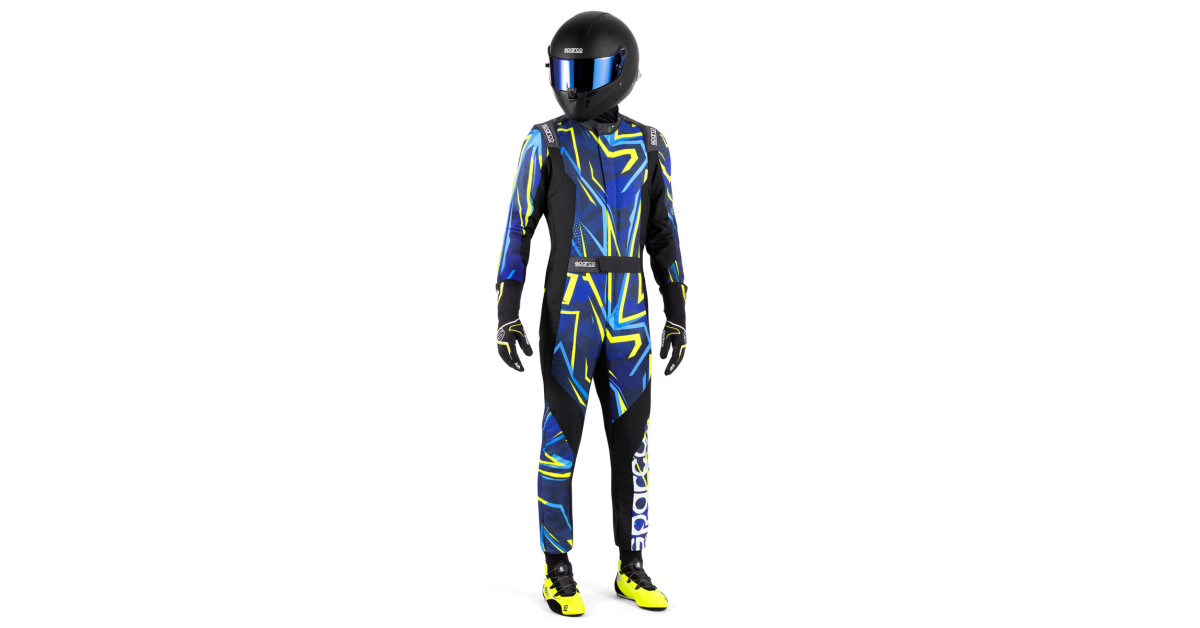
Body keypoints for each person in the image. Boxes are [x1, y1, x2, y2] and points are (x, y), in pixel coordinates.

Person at [494, 11, 688, 616]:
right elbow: (518, 227)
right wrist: (506, 309)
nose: (576, 87)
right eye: (567, 73)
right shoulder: (545, 141)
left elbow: (664, 233)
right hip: (570, 316)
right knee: (561, 441)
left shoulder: (650, 145)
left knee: (633, 445)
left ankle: (632, 564)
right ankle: (558, 568)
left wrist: (677, 310)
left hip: (630, 316)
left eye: (589, 73)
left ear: (622, 70)